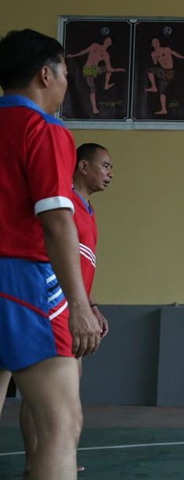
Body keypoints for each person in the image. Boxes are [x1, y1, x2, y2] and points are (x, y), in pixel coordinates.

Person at [0, 28, 102, 480]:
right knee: (60, 425)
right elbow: (58, 221)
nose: (66, 83)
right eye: (65, 73)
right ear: (46, 74)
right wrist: (79, 305)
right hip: (23, 284)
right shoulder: (43, 129)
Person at [17, 142, 114, 476]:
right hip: (48, 307)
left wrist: (91, 305)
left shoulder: (88, 209)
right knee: (42, 392)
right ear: (83, 167)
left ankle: (55, 456)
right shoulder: (64, 204)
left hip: (74, 310)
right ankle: (35, 462)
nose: (110, 173)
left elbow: (79, 267)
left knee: (68, 388)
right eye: (104, 165)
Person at [65, 37, 126, 115]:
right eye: (107, 38)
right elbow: (83, 52)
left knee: (107, 69)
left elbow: (109, 68)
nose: (107, 39)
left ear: (110, 43)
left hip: (95, 69)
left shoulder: (106, 55)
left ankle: (106, 84)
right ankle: (94, 108)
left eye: (109, 40)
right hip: (88, 70)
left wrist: (120, 69)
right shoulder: (95, 45)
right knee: (92, 89)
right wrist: (72, 55)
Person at [145, 38, 184, 115]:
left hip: (169, 72)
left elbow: (175, 54)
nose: (156, 44)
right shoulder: (153, 53)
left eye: (157, 42)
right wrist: (155, 58)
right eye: (154, 43)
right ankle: (163, 109)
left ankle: (155, 89)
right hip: (163, 71)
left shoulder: (166, 49)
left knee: (161, 88)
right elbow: (155, 63)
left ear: (159, 43)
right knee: (151, 72)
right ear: (152, 45)